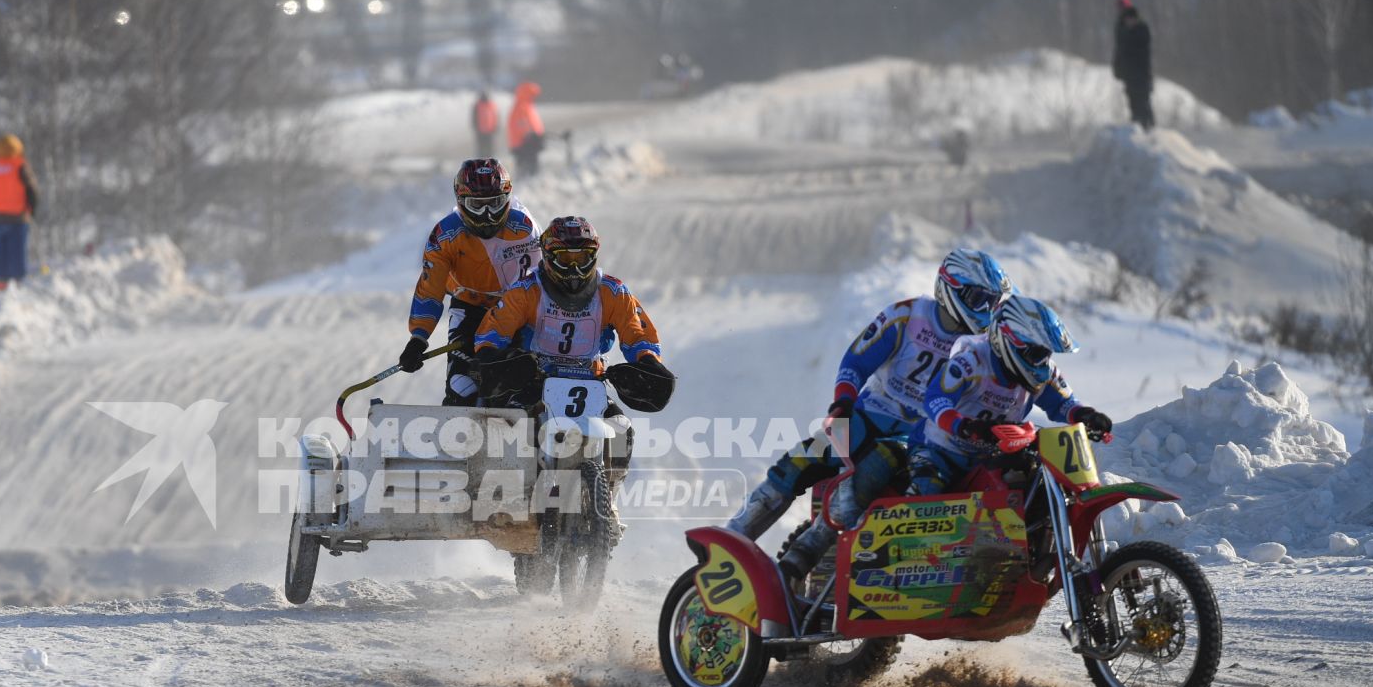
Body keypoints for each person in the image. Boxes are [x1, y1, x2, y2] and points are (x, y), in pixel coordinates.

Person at [734, 248, 1015, 581]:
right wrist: (842, 402)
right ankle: (733, 538)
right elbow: (857, 360)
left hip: (919, 437)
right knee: (800, 461)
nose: (984, 310)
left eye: (991, 302)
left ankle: (803, 555)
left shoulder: (983, 347)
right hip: (869, 414)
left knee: (874, 467)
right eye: (977, 298)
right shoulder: (907, 316)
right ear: (950, 287)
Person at [904, 295, 1113, 501]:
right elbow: (935, 400)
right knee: (928, 488)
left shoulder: (1044, 374)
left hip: (991, 455)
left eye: (1046, 354)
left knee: (1033, 487)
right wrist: (964, 426)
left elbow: (1064, 404)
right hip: (940, 451)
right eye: (1037, 354)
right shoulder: (971, 361)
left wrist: (1086, 415)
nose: (1042, 362)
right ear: (1009, 341)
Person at [472, 214, 671, 402]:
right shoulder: (525, 292)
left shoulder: (614, 293)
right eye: (566, 259)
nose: (574, 269)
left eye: (582, 258)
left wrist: (648, 363)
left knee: (620, 430)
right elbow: (492, 334)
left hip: (590, 385)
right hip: (533, 384)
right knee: (513, 424)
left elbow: (638, 337)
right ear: (548, 256)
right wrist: (495, 361)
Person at [399, 158, 541, 406]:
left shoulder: (524, 229)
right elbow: (430, 290)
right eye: (477, 205)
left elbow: (540, 285)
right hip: (469, 309)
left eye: (495, 204)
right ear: (460, 202)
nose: (487, 216)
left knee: (522, 389)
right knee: (460, 390)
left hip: (516, 312)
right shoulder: (445, 235)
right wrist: (418, 338)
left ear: (507, 198)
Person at [0, 133, 39, 290]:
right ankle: (19, 282)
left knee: (1, 250)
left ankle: (0, 282)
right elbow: (32, 190)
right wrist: (32, 210)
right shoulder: (20, 166)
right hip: (18, 216)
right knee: (17, 250)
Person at [1112, 0, 1154, 131]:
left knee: (1144, 103)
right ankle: (1137, 128)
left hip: (1141, 75)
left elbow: (1142, 53)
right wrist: (1117, 68)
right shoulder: (1120, 27)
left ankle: (1149, 129)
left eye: (1123, 6)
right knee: (1133, 102)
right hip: (1129, 75)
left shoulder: (1141, 29)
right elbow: (1119, 50)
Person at [508, 80, 545, 175]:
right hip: (524, 145)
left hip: (528, 143)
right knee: (527, 170)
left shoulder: (526, 106)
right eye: (533, 95)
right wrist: (531, 135)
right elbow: (521, 125)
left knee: (528, 168)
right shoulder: (522, 107)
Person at [472, 90, 499, 157]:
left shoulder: (492, 105)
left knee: (490, 149)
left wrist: (496, 126)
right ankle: (481, 161)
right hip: (481, 131)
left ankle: (490, 161)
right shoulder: (477, 105)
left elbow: (495, 117)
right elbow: (474, 118)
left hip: (490, 131)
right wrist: (476, 128)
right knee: (481, 149)